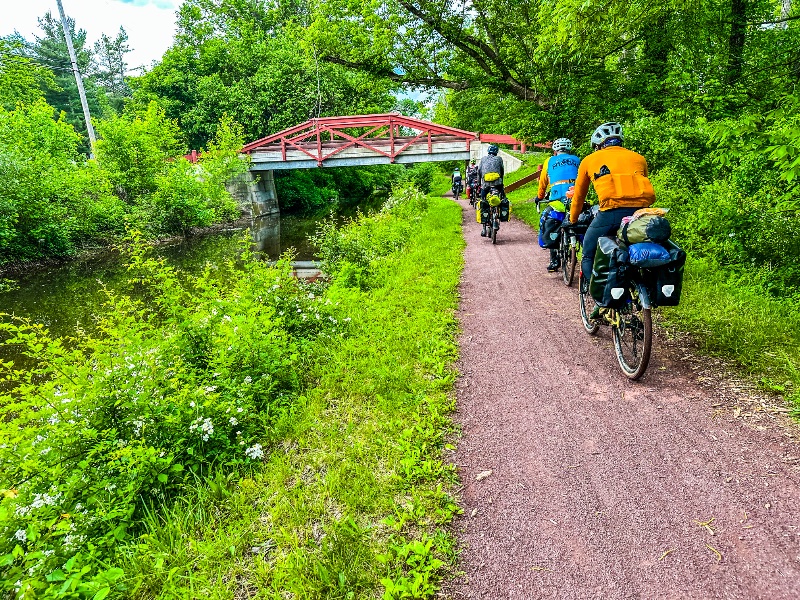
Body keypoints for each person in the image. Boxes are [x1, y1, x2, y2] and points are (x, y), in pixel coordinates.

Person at [567, 122, 655, 297]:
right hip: (640, 216)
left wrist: (573, 220)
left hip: (610, 215)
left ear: (598, 145)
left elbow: (579, 196)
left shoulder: (590, 160)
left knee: (588, 253)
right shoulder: (639, 158)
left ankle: (597, 296)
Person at [537, 138, 580, 272]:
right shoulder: (577, 160)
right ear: (569, 149)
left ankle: (554, 260)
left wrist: (539, 197)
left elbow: (543, 182)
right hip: (574, 198)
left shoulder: (549, 161)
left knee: (550, 221)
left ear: (555, 150)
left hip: (556, 199)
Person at [478, 145, 506, 237]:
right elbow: (502, 171)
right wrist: (501, 182)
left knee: (483, 202)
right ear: (496, 152)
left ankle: (484, 228)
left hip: (486, 185)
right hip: (498, 184)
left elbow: (479, 171)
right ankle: (499, 214)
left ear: (488, 151)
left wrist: (479, 183)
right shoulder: (499, 159)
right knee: (503, 198)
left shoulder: (483, 159)